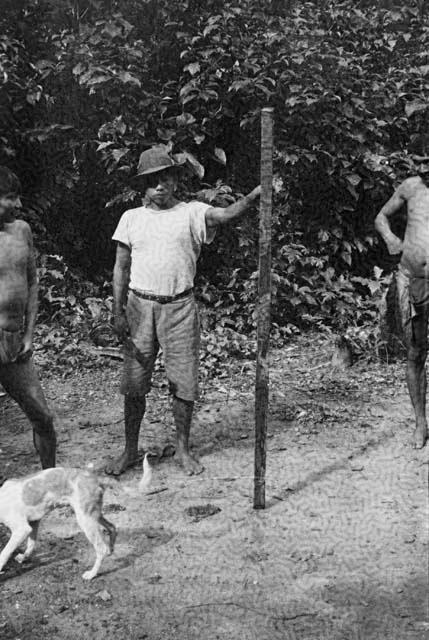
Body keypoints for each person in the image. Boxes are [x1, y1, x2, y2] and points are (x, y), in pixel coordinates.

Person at [105, 146, 261, 475]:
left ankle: (184, 449)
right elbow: (120, 268)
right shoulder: (131, 218)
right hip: (138, 307)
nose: (159, 186)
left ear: (176, 180)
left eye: (165, 178)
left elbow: (228, 214)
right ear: (142, 186)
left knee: (183, 383)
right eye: (151, 181)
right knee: (134, 385)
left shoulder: (191, 212)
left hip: (179, 308)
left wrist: (257, 194)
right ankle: (129, 450)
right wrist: (117, 312)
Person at [0, 166, 56, 468]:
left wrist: (29, 334)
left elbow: (33, 282)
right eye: (10, 198)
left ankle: (52, 480)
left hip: (14, 341)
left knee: (42, 417)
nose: (19, 205)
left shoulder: (21, 230)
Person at [375, 174, 429, 449]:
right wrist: (389, 237)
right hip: (413, 279)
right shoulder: (411, 186)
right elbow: (381, 217)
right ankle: (421, 423)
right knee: (416, 352)